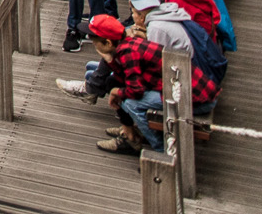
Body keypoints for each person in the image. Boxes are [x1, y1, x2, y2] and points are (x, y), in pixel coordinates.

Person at [84, 14, 218, 154]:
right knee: (117, 86)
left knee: (131, 104)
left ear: (108, 43)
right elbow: (125, 78)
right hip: (193, 92)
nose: (95, 46)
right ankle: (131, 133)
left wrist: (115, 92)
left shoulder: (128, 53)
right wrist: (110, 61)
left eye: (96, 43)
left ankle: (162, 151)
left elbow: (136, 90)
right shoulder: (129, 44)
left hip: (196, 100)